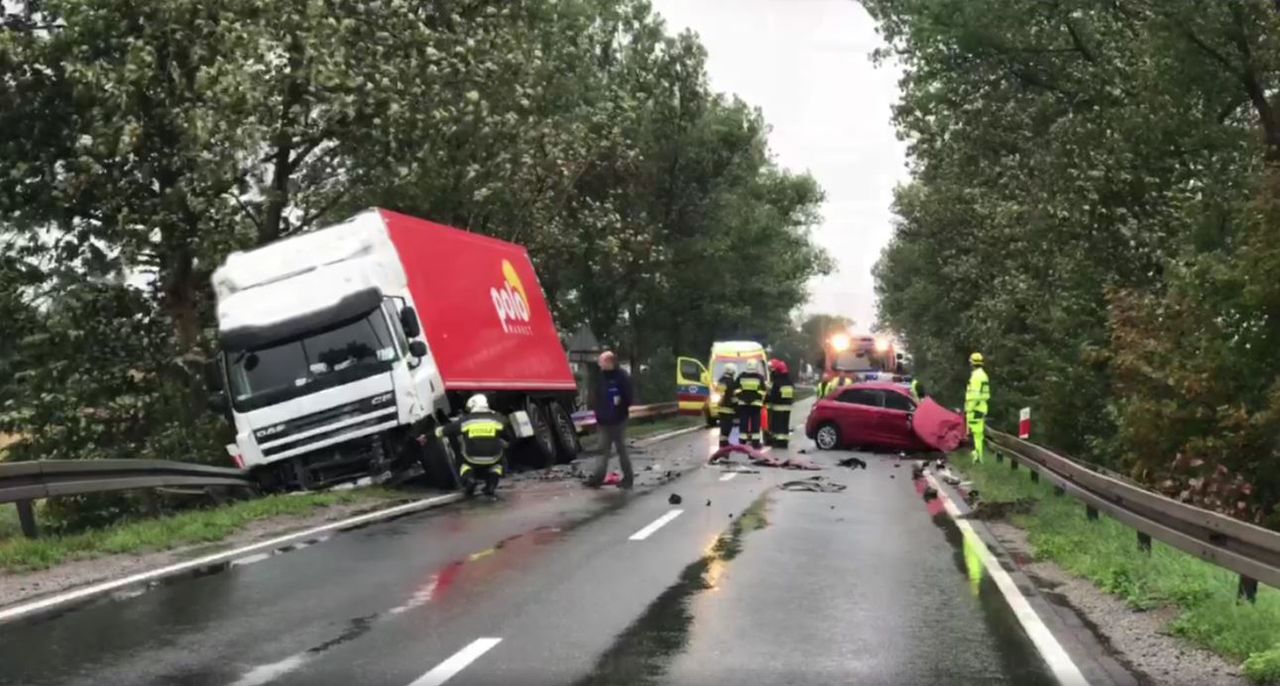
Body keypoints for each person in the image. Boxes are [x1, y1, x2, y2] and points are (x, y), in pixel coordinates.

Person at [436, 394, 511, 498]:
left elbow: (447, 430)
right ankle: (491, 485)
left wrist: (435, 432)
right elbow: (508, 437)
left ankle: (469, 480)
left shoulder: (466, 420)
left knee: (463, 464)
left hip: (471, 457)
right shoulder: (498, 419)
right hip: (493, 457)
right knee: (498, 464)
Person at [589, 350, 634, 488]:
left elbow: (628, 397)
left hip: (618, 421)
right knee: (602, 450)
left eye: (601, 361)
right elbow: (596, 395)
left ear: (609, 362)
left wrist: (620, 411)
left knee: (621, 449)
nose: (599, 364)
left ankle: (628, 478)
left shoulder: (621, 377)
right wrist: (597, 412)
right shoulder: (600, 377)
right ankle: (597, 479)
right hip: (603, 421)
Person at [734, 359, 768, 449]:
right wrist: (755, 398)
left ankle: (742, 442)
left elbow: (735, 389)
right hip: (755, 404)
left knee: (743, 423)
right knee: (755, 423)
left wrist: (742, 397)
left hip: (743, 404)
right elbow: (763, 391)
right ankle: (755, 443)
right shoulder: (759, 377)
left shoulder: (741, 376)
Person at [965, 352, 991, 463]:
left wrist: (969, 409)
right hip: (981, 407)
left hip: (974, 409)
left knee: (974, 435)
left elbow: (975, 395)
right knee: (978, 435)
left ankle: (977, 458)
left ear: (972, 363)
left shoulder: (976, 376)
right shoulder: (983, 375)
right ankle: (978, 457)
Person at [764, 359, 795, 448]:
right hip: (787, 408)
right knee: (785, 426)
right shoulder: (789, 382)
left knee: (777, 426)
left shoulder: (777, 382)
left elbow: (774, 396)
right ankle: (784, 442)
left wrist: (767, 400)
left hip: (778, 407)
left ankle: (777, 442)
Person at [714, 363, 739, 448]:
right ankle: (724, 444)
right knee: (727, 428)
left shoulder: (721, 380)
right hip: (729, 408)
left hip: (721, 408)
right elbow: (734, 396)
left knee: (723, 427)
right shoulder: (731, 382)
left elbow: (719, 393)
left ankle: (723, 443)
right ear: (733, 372)